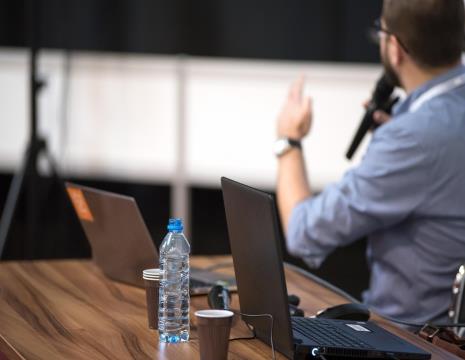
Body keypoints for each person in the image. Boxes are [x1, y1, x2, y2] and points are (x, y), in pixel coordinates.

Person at [275, 0, 465, 324]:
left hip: (411, 338)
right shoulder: (426, 125)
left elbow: (303, 231)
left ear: (395, 48)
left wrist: (289, 141)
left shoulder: (412, 139)